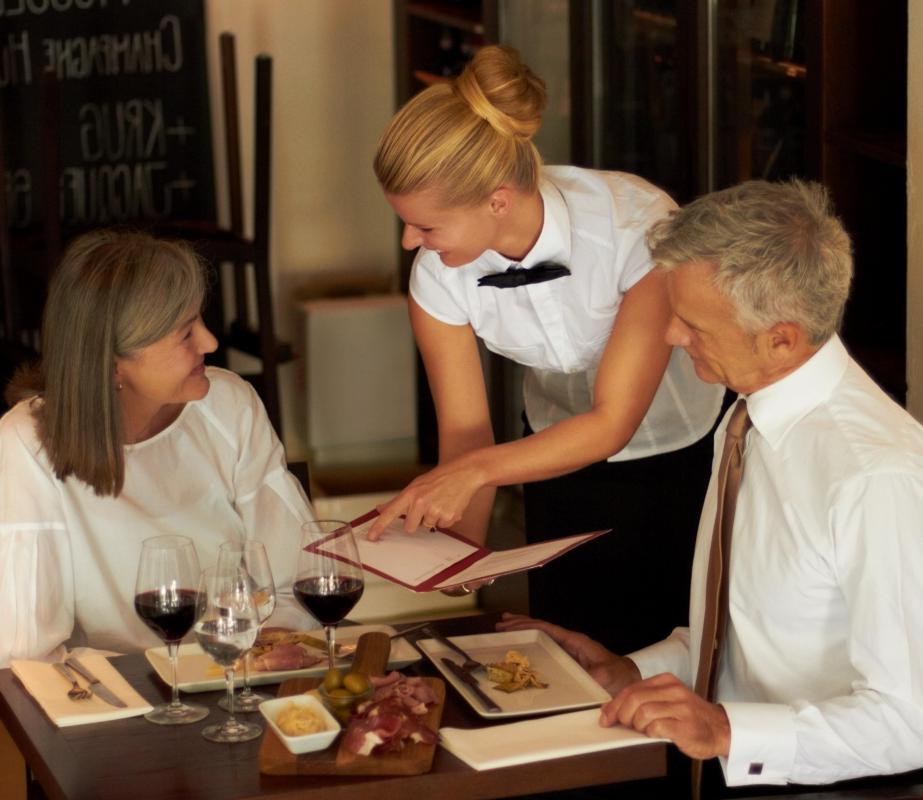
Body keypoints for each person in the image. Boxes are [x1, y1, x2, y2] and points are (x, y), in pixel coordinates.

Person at [499, 179, 923, 792]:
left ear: (781, 337)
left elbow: (911, 717)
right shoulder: (747, 414)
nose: (670, 335)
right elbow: (746, 633)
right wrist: (630, 671)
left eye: (693, 323)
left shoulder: (876, 478)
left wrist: (726, 732)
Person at [368, 44, 724, 654]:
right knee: (570, 650)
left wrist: (473, 474)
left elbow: (614, 421)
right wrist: (460, 556)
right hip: (547, 455)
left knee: (672, 654)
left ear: (497, 201)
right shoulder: (438, 273)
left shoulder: (636, 226)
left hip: (679, 454)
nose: (409, 243)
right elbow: (467, 432)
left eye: (426, 226)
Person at [0, 229, 315, 667]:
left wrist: (262, 660)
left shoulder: (228, 404)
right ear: (113, 365)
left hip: (235, 676)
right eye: (185, 334)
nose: (210, 342)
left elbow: (292, 579)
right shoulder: (26, 444)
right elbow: (25, 649)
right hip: (109, 701)